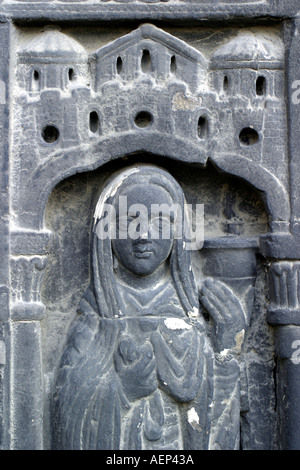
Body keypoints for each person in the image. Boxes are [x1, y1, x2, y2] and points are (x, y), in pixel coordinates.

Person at [51, 164, 247, 450]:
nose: (143, 235)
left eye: (159, 221)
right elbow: (66, 408)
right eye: (129, 221)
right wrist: (120, 392)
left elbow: (217, 417)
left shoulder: (188, 310)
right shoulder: (98, 312)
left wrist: (225, 348)